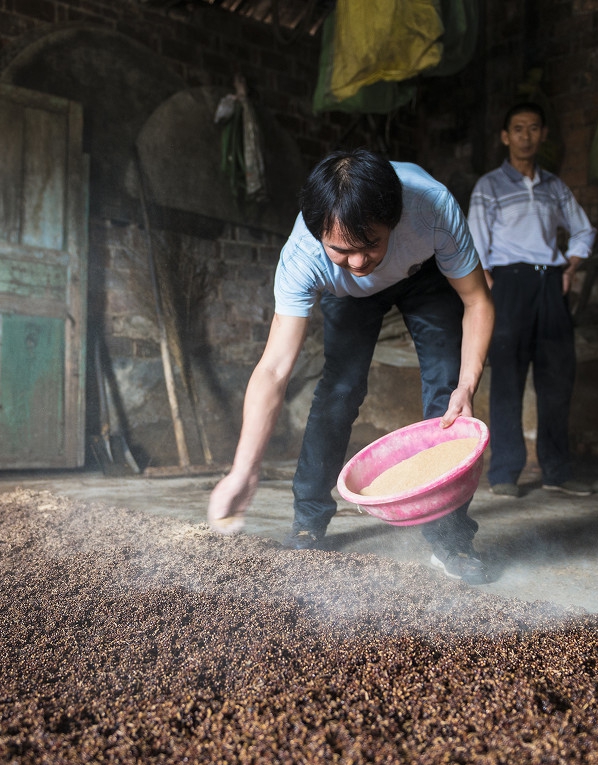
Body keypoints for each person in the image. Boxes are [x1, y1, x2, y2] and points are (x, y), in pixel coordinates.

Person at [207, 149, 495, 583]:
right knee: (339, 391)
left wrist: (467, 385)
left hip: (423, 274)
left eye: (371, 244)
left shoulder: (432, 208)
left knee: (446, 393)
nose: (359, 262)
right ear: (318, 232)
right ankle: (309, 519)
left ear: (394, 220)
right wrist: (243, 470)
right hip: (348, 297)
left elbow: (477, 300)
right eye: (341, 250)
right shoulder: (303, 254)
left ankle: (451, 539)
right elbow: (273, 369)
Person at [468, 103, 596, 499]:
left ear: (542, 135)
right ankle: (504, 473)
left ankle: (557, 470)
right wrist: (488, 284)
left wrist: (570, 269)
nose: (526, 135)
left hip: (549, 284)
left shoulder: (555, 187)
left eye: (534, 128)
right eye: (518, 128)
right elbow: (473, 243)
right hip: (508, 284)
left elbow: (583, 231)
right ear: (506, 136)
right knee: (507, 377)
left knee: (557, 377)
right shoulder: (489, 186)